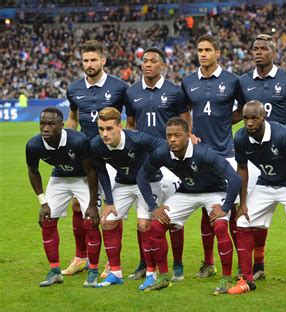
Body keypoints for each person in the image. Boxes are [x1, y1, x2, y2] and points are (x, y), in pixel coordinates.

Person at [136, 117, 241, 294]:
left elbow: (234, 178)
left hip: (215, 191)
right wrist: (153, 207)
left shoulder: (204, 153)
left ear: (187, 135)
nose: (172, 139)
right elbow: (141, 176)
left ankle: (226, 279)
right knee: (156, 226)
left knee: (221, 226)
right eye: (169, 136)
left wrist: (225, 207)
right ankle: (163, 278)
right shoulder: (162, 152)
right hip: (187, 192)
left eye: (177, 135)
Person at [239, 33, 286, 279]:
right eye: (254, 48)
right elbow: (238, 112)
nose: (258, 52)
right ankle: (257, 266)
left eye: (263, 48)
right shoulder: (244, 81)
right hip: (258, 158)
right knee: (254, 219)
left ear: (273, 52)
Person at [90, 107, 177, 289]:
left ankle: (151, 274)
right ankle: (115, 272)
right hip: (123, 183)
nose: (104, 134)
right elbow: (101, 172)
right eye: (100, 129)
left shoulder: (137, 139)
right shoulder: (96, 145)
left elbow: (163, 146)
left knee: (145, 225)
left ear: (119, 126)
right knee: (107, 221)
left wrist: (149, 167)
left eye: (109, 128)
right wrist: (109, 201)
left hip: (149, 181)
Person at [181, 34, 245, 278]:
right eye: (200, 49)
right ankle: (208, 263)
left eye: (208, 49)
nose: (203, 53)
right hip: (198, 154)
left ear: (218, 53)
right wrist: (189, 132)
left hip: (226, 153)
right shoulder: (188, 81)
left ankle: (241, 264)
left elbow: (244, 108)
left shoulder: (232, 80)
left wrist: (226, 122)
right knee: (205, 211)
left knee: (234, 209)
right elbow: (182, 109)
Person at [64, 40, 129, 277]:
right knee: (77, 205)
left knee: (112, 210)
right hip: (84, 157)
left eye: (93, 60)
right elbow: (72, 118)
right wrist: (68, 137)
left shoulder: (120, 87)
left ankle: (113, 262)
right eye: (85, 60)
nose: (89, 64)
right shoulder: (73, 89)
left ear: (103, 60)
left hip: (111, 157)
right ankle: (81, 257)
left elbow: (129, 121)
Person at [125, 47, 190, 282]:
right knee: (144, 215)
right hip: (144, 162)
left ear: (162, 65)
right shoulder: (132, 92)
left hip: (170, 162)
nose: (148, 64)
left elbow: (185, 123)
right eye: (145, 61)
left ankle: (179, 264)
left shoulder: (175, 91)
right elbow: (130, 124)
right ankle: (145, 262)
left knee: (173, 215)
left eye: (153, 61)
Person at [227, 100, 286, 294]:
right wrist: (242, 204)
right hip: (265, 182)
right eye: (245, 118)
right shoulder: (241, 137)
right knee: (242, 221)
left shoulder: (283, 134)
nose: (249, 123)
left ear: (264, 117)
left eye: (254, 118)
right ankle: (247, 278)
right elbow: (242, 169)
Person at [25, 107, 100, 287]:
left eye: (51, 124)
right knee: (47, 220)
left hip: (83, 177)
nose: (45, 128)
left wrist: (92, 204)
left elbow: (91, 171)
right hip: (59, 177)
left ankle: (93, 271)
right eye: (42, 124)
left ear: (61, 125)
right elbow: (33, 171)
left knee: (91, 221)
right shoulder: (33, 145)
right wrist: (43, 202)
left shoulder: (78, 140)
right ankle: (55, 271)